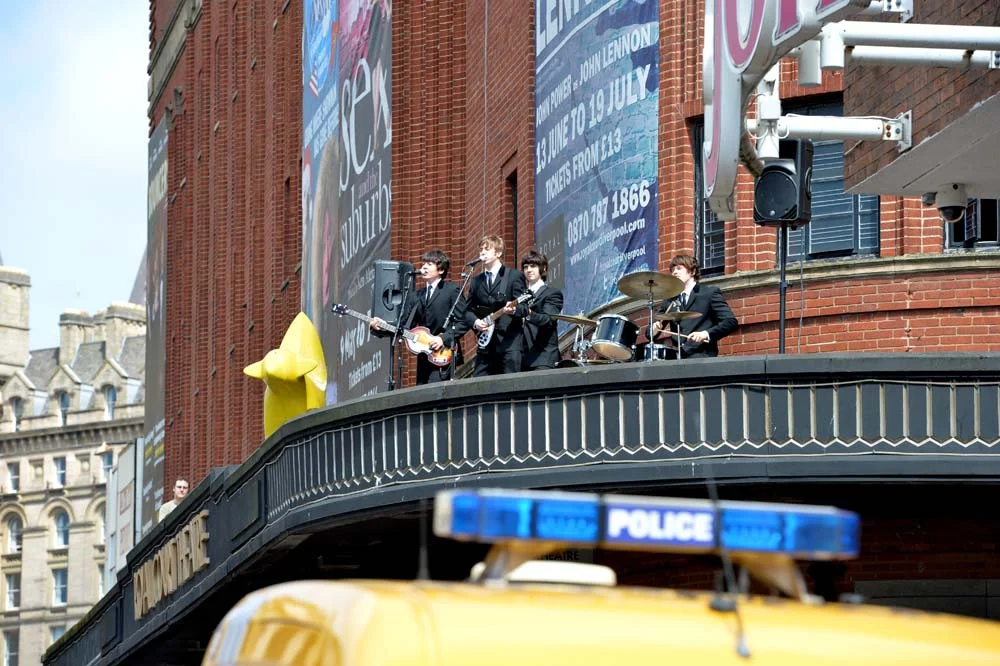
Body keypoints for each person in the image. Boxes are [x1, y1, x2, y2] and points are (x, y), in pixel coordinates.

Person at [370, 250, 468, 384]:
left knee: (436, 391)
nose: (424, 267)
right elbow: (403, 326)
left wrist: (443, 338)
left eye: (430, 264)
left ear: (441, 270)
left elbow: (464, 320)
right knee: (422, 392)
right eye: (424, 264)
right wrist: (380, 326)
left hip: (444, 352)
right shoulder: (416, 296)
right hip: (424, 356)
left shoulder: (451, 290)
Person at [463, 235, 530, 376]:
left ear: (498, 253)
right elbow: (467, 311)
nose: (482, 252)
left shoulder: (513, 276)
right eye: (481, 249)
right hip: (486, 345)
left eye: (487, 249)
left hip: (509, 344)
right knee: (478, 383)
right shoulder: (476, 281)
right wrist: (476, 322)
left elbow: (524, 307)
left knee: (510, 384)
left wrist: (513, 310)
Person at [650, 254, 738, 358]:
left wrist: (705, 334)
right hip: (677, 357)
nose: (675, 272)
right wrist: (654, 329)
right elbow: (649, 333)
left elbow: (730, 322)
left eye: (679, 268)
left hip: (701, 356)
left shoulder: (709, 294)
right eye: (672, 270)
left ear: (693, 271)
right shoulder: (670, 300)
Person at [519, 250, 564, 370]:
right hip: (520, 360)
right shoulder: (519, 296)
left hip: (543, 358)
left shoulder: (552, 293)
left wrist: (528, 313)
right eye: (525, 267)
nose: (529, 270)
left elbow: (548, 320)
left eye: (533, 266)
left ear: (543, 268)